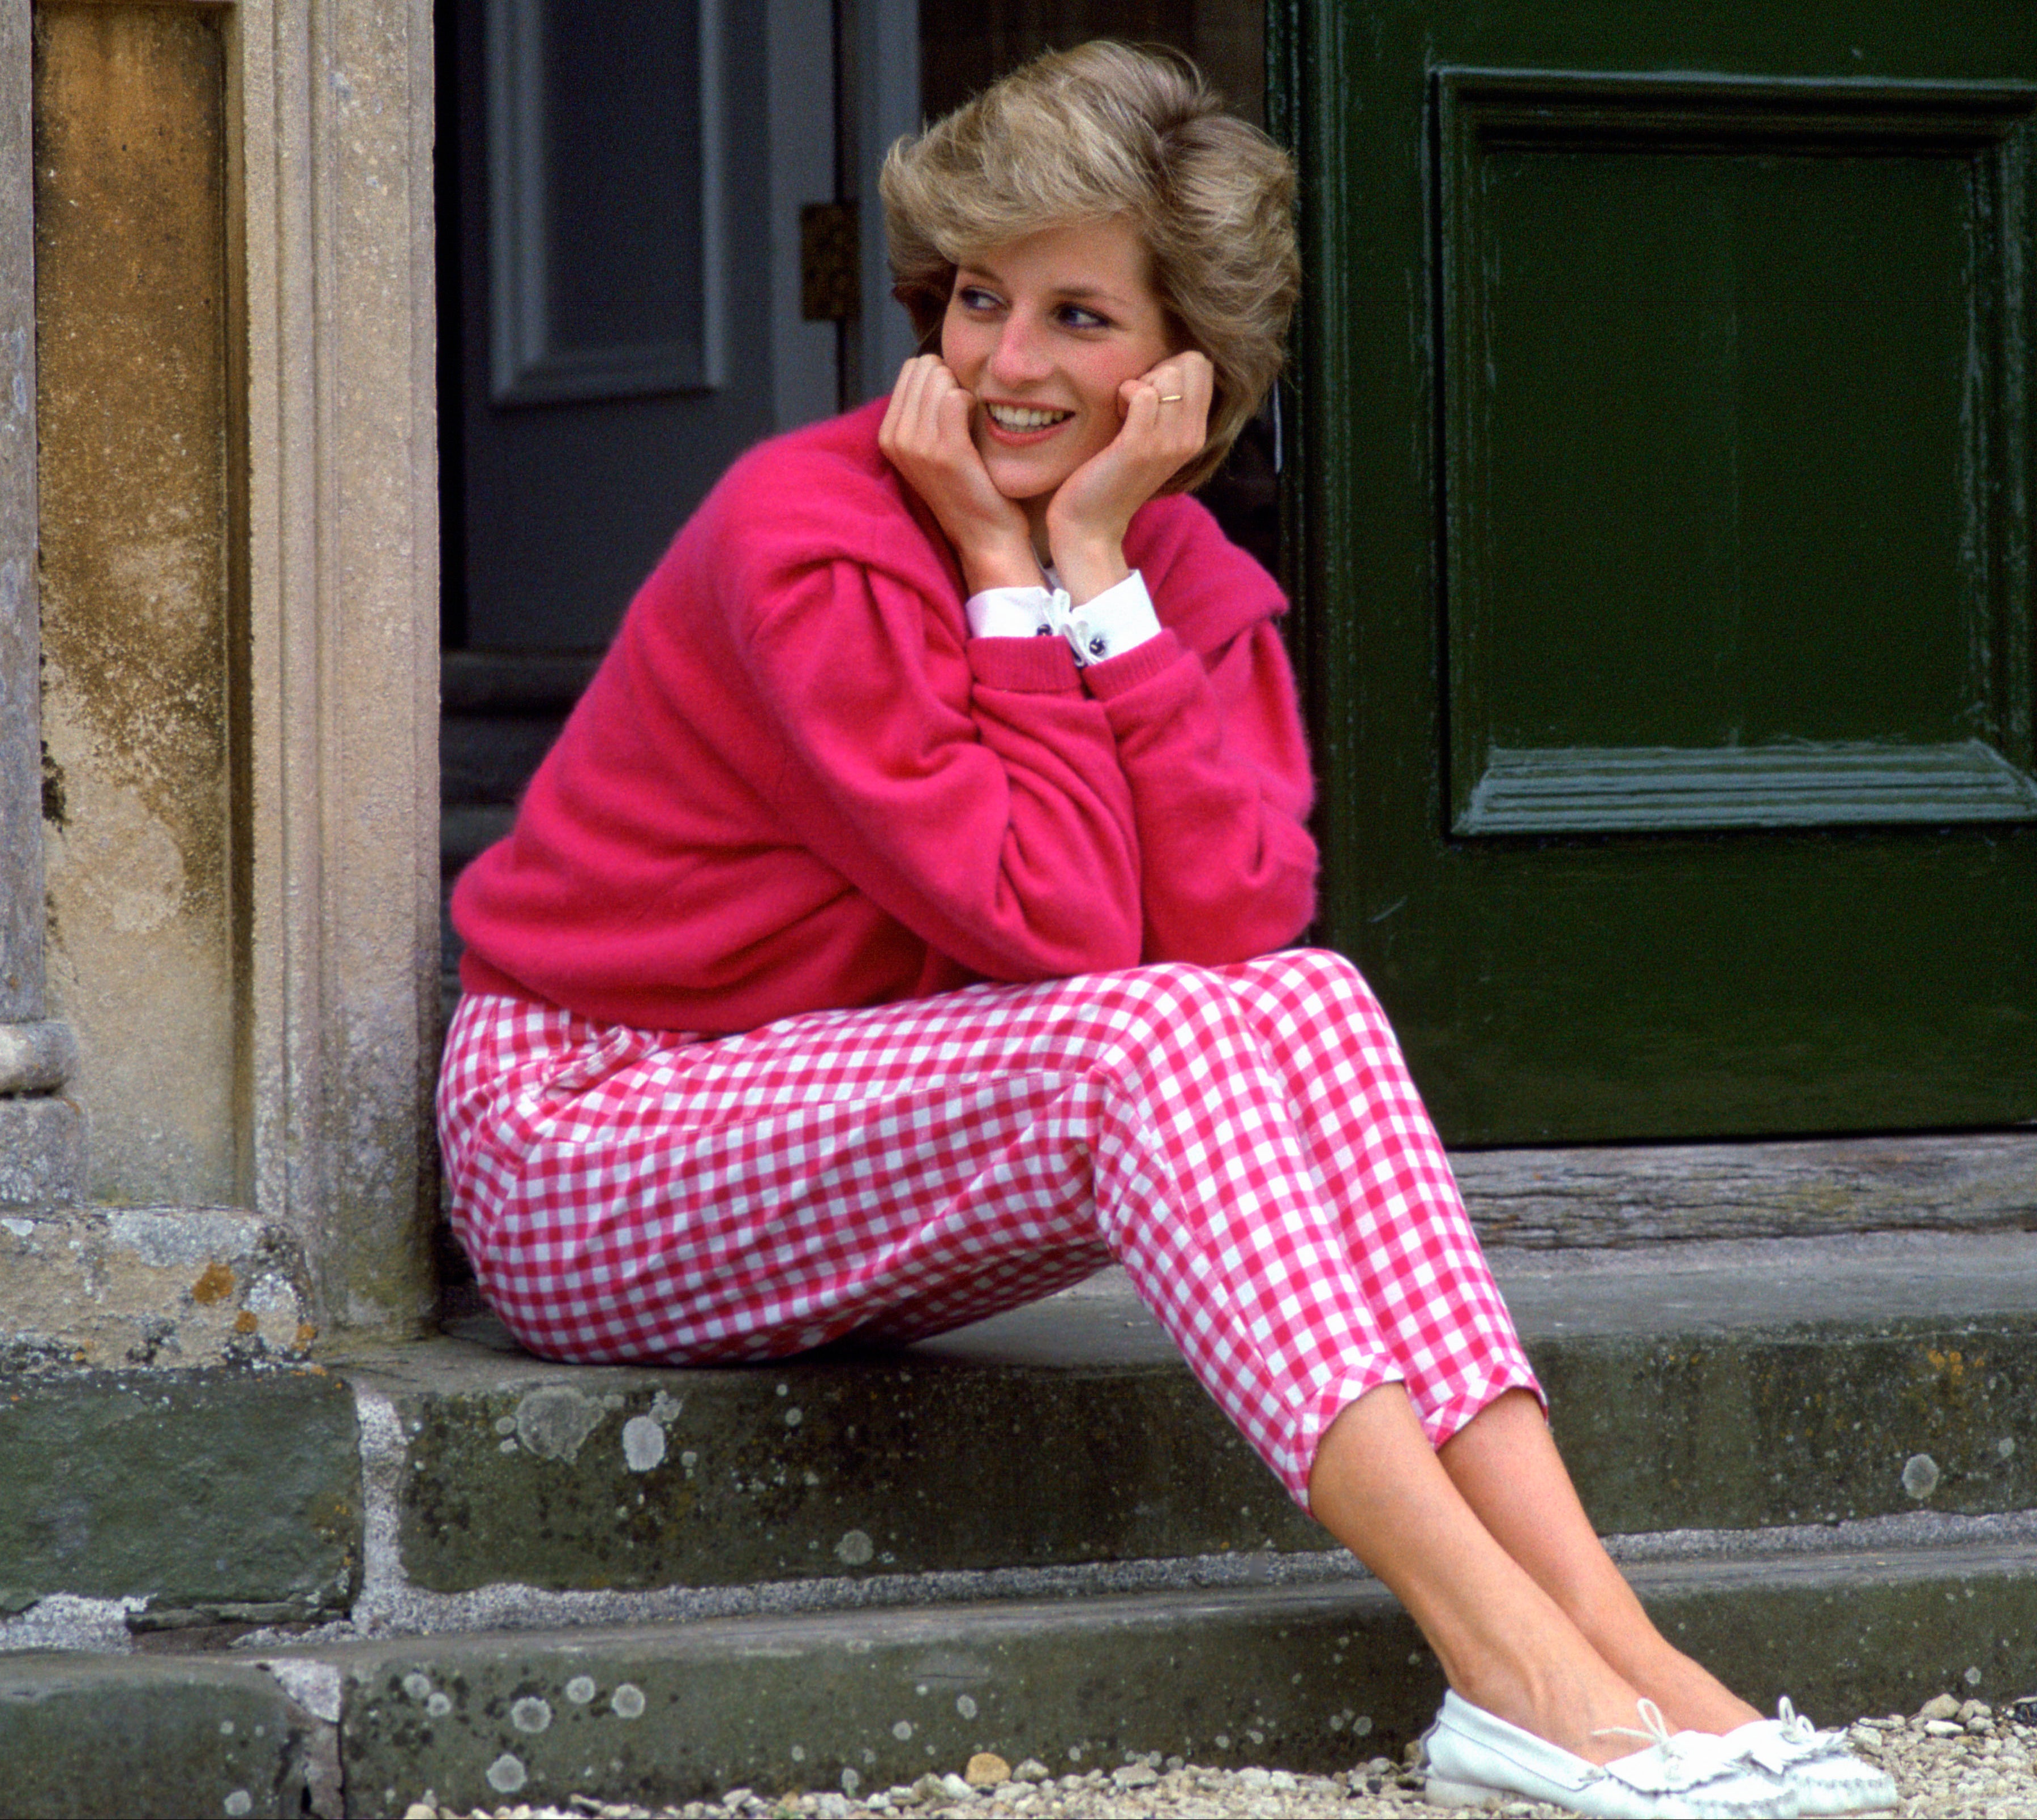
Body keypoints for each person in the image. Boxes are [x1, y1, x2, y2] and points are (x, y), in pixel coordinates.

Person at [440, 41, 1894, 1820]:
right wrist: (997, 573)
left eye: (1079, 317)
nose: (1009, 365)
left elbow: (1230, 928)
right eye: (980, 301)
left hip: (852, 1122)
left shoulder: (1179, 583)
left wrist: (1096, 577)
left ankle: (1622, 1652)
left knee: (1311, 997)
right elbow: (1052, 927)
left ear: (1188, 365)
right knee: (1165, 1033)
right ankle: (1502, 1671)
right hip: (592, 1138)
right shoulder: (804, 538)